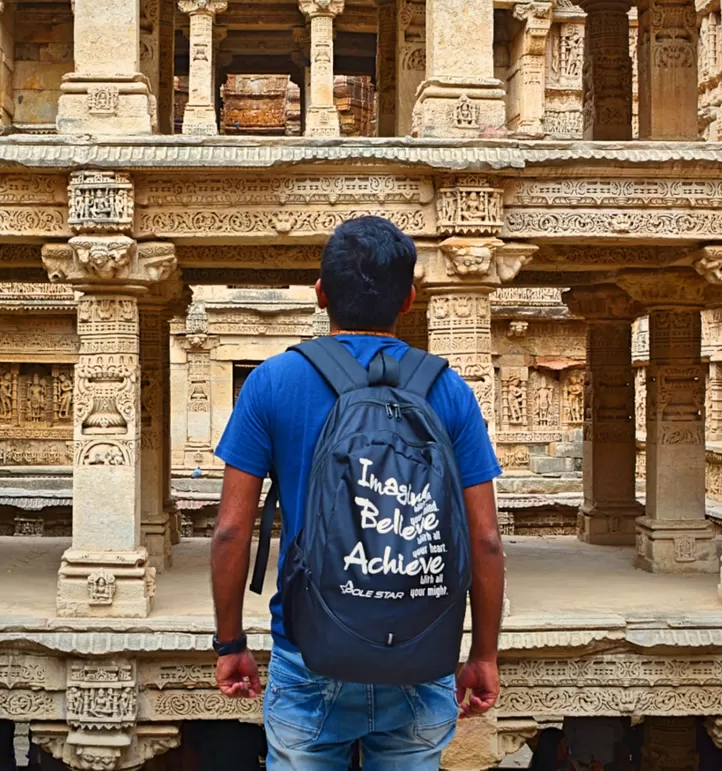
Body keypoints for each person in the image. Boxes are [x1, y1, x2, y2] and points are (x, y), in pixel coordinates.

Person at [209, 215, 506, 771]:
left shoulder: (273, 382)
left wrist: (231, 645)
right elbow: (485, 540)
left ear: (321, 294)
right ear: (410, 300)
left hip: (309, 653)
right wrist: (483, 653)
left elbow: (231, 530)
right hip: (421, 654)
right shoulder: (449, 390)